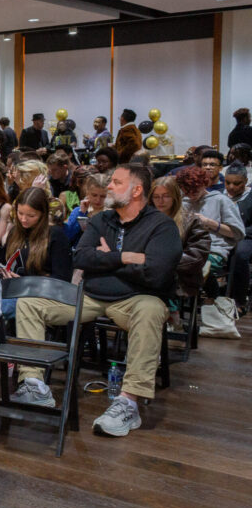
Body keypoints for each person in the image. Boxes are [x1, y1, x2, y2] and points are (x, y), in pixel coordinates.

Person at [12, 165, 181, 437]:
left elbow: (157, 274)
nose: (110, 187)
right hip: (90, 296)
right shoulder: (102, 220)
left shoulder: (161, 226)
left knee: (151, 309)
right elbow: (82, 258)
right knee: (29, 303)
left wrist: (106, 259)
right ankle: (34, 383)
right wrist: (124, 257)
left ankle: (128, 401)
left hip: (134, 300)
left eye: (116, 182)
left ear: (136, 190)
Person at [177, 165, 244, 300]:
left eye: (195, 190)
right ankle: (180, 306)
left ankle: (212, 297)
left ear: (204, 184)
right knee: (170, 264)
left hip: (213, 250)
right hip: (186, 248)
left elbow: (237, 233)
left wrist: (209, 222)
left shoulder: (220, 200)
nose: (191, 194)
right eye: (187, 191)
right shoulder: (183, 202)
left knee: (187, 267)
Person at [150, 177, 210, 322]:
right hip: (148, 270)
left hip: (180, 274)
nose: (161, 201)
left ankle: (167, 314)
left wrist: (166, 263)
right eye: (156, 197)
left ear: (175, 197)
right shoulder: (145, 219)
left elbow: (197, 256)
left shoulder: (191, 221)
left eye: (166, 196)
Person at [221, 165, 252, 313]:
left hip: (246, 236)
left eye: (237, 183)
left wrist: (236, 232)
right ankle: (213, 296)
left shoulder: (250, 197)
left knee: (239, 254)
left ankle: (239, 300)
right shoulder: (220, 195)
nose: (231, 187)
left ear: (245, 181)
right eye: (227, 182)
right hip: (220, 233)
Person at [64, 173, 108, 245]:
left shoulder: (114, 212)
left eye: (103, 196)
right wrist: (81, 213)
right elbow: (68, 236)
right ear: (87, 192)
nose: (98, 200)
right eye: (94, 195)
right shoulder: (78, 211)